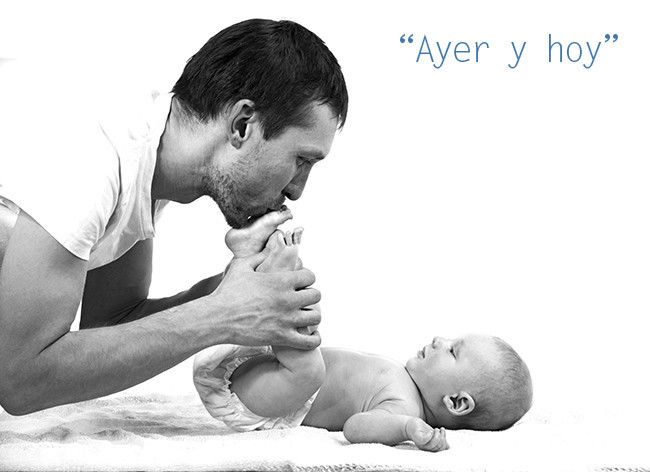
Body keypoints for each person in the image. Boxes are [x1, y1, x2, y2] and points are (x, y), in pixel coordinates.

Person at [0, 19, 348, 415]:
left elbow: (111, 324)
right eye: (301, 160)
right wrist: (224, 314)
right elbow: (20, 379)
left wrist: (230, 291)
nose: (298, 189)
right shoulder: (94, 152)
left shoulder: (142, 155)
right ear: (243, 124)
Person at [193, 212, 533, 452]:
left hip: (270, 400)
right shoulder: (404, 380)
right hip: (266, 367)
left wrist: (405, 429)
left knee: (308, 359)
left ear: (457, 402)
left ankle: (280, 273)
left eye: (453, 351)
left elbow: (355, 428)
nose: (439, 340)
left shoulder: (405, 409)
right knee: (289, 322)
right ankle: (251, 259)